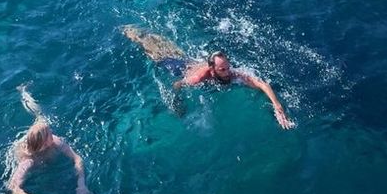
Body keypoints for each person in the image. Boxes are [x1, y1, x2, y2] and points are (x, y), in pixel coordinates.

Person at [121, 26, 295, 129]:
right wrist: (177, 102)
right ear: (213, 69)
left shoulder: (232, 73)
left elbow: (261, 84)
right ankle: (130, 31)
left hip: (190, 61)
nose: (227, 71)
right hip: (179, 67)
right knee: (155, 52)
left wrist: (277, 106)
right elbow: (177, 84)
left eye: (227, 67)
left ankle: (140, 33)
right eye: (222, 69)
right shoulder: (199, 78)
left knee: (166, 46)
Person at [7, 85, 93, 194]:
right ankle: (22, 93)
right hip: (32, 151)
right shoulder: (27, 161)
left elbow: (77, 159)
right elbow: (12, 187)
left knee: (40, 115)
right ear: (44, 143)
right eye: (49, 134)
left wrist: (81, 185)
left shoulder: (55, 141)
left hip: (36, 141)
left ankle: (24, 92)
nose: (53, 134)